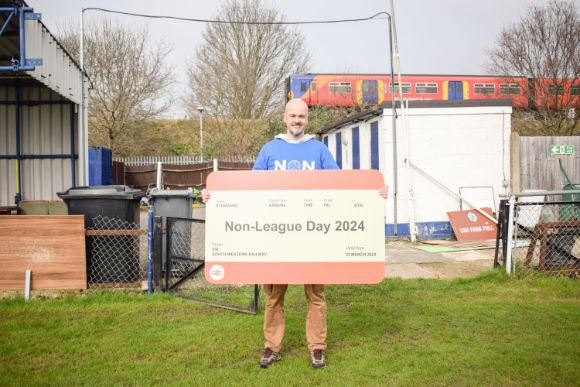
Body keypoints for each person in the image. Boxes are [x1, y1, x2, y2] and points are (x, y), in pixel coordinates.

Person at [202, 98, 388, 369]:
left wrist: (374, 193)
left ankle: (317, 348)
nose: (297, 120)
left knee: (316, 297)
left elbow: (340, 188)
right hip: (276, 238)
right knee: (274, 297)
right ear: (284, 118)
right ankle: (271, 347)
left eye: (301, 116)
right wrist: (214, 196)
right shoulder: (270, 149)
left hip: (313, 238)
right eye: (293, 116)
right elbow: (249, 192)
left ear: (306, 119)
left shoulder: (319, 150)